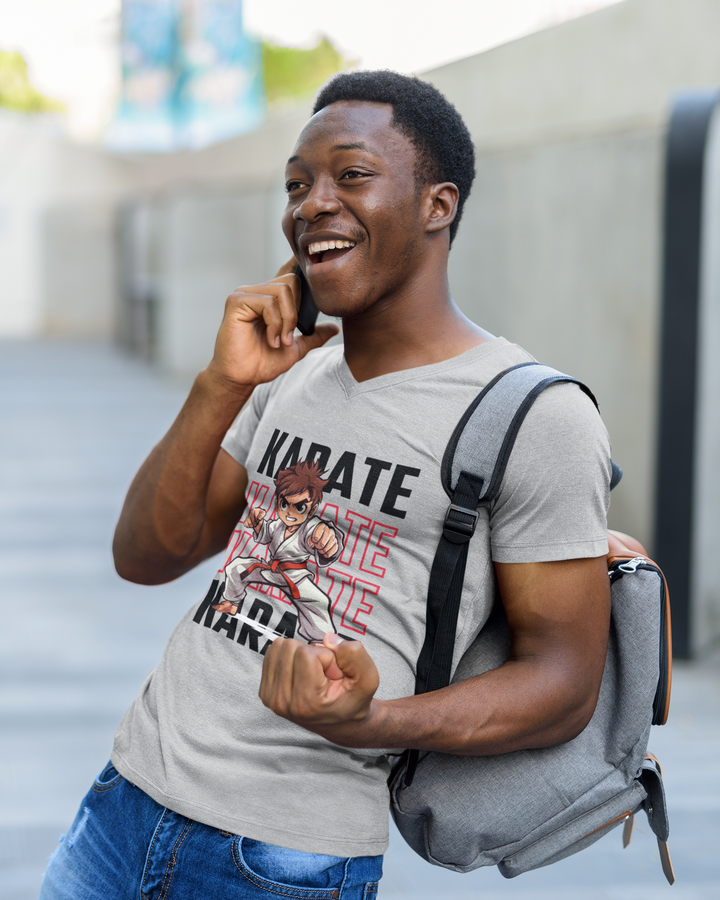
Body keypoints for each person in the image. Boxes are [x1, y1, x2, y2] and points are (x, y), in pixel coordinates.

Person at [40, 71, 614, 900]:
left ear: (437, 204)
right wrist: (221, 383)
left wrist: (374, 722)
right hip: (123, 801)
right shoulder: (292, 374)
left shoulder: (536, 415)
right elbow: (147, 554)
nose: (311, 204)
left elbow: (563, 685)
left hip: (282, 862)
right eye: (296, 185)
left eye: (350, 175)